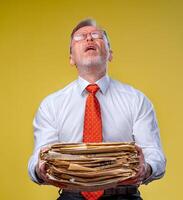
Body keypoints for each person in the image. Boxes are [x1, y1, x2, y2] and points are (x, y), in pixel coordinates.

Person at [28, 19, 166, 200]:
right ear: (71, 58)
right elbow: (39, 156)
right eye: (80, 37)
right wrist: (39, 169)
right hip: (71, 195)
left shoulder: (137, 100)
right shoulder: (51, 105)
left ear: (110, 54)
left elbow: (154, 153)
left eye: (97, 36)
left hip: (124, 195)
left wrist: (146, 168)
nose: (88, 39)